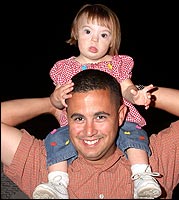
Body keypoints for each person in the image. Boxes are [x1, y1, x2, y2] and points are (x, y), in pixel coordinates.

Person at [1, 69, 179, 199]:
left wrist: (134, 92)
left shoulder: (152, 159)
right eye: (78, 118)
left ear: (121, 115)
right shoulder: (45, 162)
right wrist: (51, 104)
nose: (89, 131)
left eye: (100, 117)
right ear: (67, 118)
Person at [31, 3, 162, 199]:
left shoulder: (116, 64)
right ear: (75, 32)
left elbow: (126, 87)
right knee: (56, 139)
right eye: (87, 31)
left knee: (135, 135)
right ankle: (57, 181)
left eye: (103, 35)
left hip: (119, 121)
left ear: (112, 41)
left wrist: (136, 94)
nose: (94, 39)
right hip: (77, 124)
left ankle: (142, 175)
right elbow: (56, 102)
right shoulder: (65, 68)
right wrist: (56, 98)